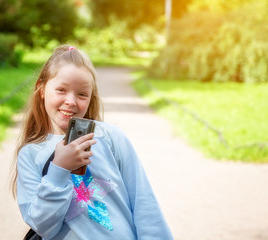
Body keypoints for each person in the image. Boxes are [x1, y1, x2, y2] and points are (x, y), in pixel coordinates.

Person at [11, 45, 173, 239]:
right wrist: (59, 170)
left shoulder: (109, 137)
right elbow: (43, 226)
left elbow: (144, 202)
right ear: (42, 88)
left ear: (90, 98)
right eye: (61, 90)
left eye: (82, 94)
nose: (71, 101)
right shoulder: (30, 153)